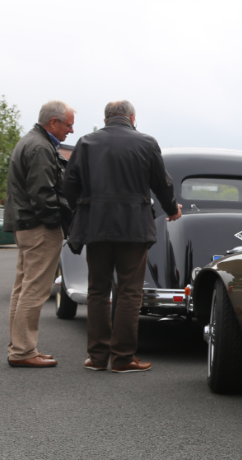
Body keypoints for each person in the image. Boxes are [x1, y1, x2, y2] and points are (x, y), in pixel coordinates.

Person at [64, 100, 182, 373]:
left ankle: (97, 357)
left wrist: (82, 207)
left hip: (95, 226)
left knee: (97, 290)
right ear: (132, 117)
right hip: (134, 227)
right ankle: (123, 358)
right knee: (129, 292)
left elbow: (69, 184)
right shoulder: (146, 143)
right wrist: (171, 209)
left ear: (106, 119)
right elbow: (161, 183)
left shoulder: (86, 142)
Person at [4, 100, 76, 368]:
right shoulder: (41, 147)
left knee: (22, 288)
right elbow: (43, 194)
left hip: (25, 224)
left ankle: (20, 347)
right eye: (68, 125)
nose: (71, 130)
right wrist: (56, 223)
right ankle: (23, 351)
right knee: (35, 289)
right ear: (53, 122)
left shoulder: (30, 141)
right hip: (39, 227)